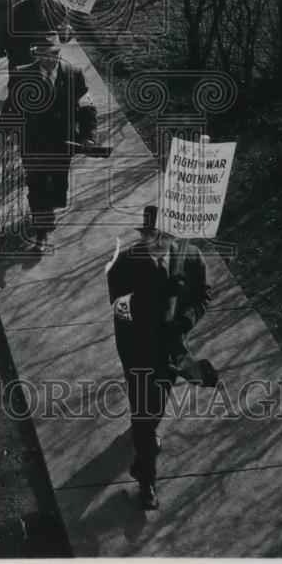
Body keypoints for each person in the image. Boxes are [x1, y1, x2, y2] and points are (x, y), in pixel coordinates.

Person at [106, 205, 213, 510]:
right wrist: (156, 295)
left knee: (154, 407)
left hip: (171, 349)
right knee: (145, 410)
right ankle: (146, 479)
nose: (160, 240)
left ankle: (144, 435)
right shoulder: (124, 262)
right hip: (137, 348)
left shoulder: (191, 258)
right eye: (153, 234)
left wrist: (186, 319)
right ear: (144, 234)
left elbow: (204, 295)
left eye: (167, 234)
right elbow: (120, 308)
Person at [2, 33, 98, 251]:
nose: (49, 59)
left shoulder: (74, 74)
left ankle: (48, 211)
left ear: (59, 53)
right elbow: (11, 106)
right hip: (33, 144)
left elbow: (86, 107)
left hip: (62, 143)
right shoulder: (21, 75)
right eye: (43, 55)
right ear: (36, 54)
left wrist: (89, 134)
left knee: (57, 184)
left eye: (53, 54)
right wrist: (5, 132)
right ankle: (40, 232)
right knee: (36, 186)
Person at [8, 0, 73, 69]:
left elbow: (64, 38)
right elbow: (13, 41)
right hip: (27, 60)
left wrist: (66, 33)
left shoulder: (59, 7)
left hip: (51, 60)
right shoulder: (17, 11)